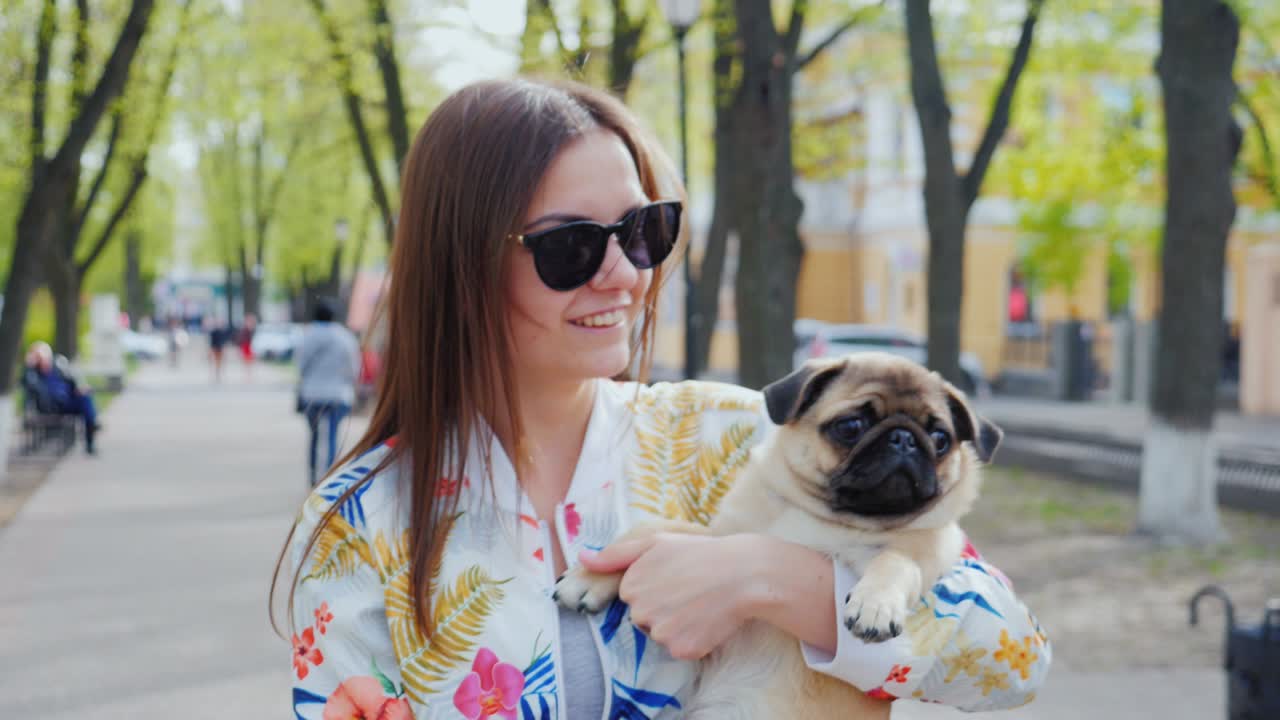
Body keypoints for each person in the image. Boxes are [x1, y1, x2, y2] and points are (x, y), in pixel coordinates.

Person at [273, 79, 1050, 720]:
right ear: (464, 262)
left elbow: (1014, 660)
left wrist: (768, 578)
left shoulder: (742, 440)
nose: (624, 274)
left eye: (644, 229)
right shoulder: (359, 522)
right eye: (572, 245)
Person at [296, 299, 361, 487]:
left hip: (312, 393)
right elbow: (353, 368)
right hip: (337, 394)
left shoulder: (307, 336)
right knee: (332, 435)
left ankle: (313, 476)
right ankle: (329, 477)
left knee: (314, 436)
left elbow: (300, 364)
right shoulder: (344, 337)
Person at [22, 341, 100, 455]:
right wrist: (29, 367)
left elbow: (72, 380)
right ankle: (92, 422)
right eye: (39, 357)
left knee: (85, 398)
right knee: (85, 404)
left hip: (67, 402)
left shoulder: (58, 368)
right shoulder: (33, 374)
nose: (44, 359)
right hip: (51, 407)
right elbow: (28, 384)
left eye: (45, 355)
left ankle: (91, 432)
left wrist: (78, 388)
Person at [238, 313, 257, 379]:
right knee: (246, 360)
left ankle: (248, 374)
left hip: (249, 345)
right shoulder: (245, 329)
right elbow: (241, 339)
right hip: (245, 345)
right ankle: (247, 374)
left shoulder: (252, 329)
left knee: (249, 360)